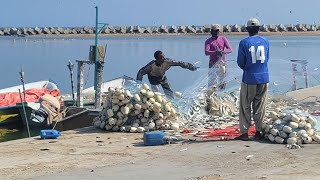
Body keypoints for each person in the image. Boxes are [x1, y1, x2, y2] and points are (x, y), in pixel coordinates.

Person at [234, 18, 270, 141]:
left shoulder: (244, 43)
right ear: (258, 28)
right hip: (264, 77)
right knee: (260, 106)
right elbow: (267, 58)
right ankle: (258, 131)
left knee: (245, 105)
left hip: (249, 78)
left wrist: (247, 68)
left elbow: (240, 62)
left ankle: (244, 133)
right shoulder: (265, 41)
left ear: (247, 29)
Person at [205, 24, 232, 93]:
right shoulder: (208, 41)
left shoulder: (223, 39)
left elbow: (230, 49)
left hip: (222, 64)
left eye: (217, 31)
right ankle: (212, 96)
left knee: (223, 81)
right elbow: (207, 52)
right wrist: (215, 52)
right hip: (213, 64)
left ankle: (222, 94)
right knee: (212, 83)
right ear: (211, 31)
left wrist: (223, 52)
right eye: (214, 31)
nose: (216, 32)